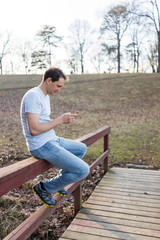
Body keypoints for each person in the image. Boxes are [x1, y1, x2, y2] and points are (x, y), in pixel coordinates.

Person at [20, 67, 90, 207]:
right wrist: (60, 120)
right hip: (41, 145)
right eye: (58, 86)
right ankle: (45, 188)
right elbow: (33, 129)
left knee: (81, 148)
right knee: (83, 170)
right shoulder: (33, 96)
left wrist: (64, 120)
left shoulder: (44, 96)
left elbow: (44, 123)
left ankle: (60, 181)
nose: (59, 90)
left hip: (51, 139)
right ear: (49, 80)